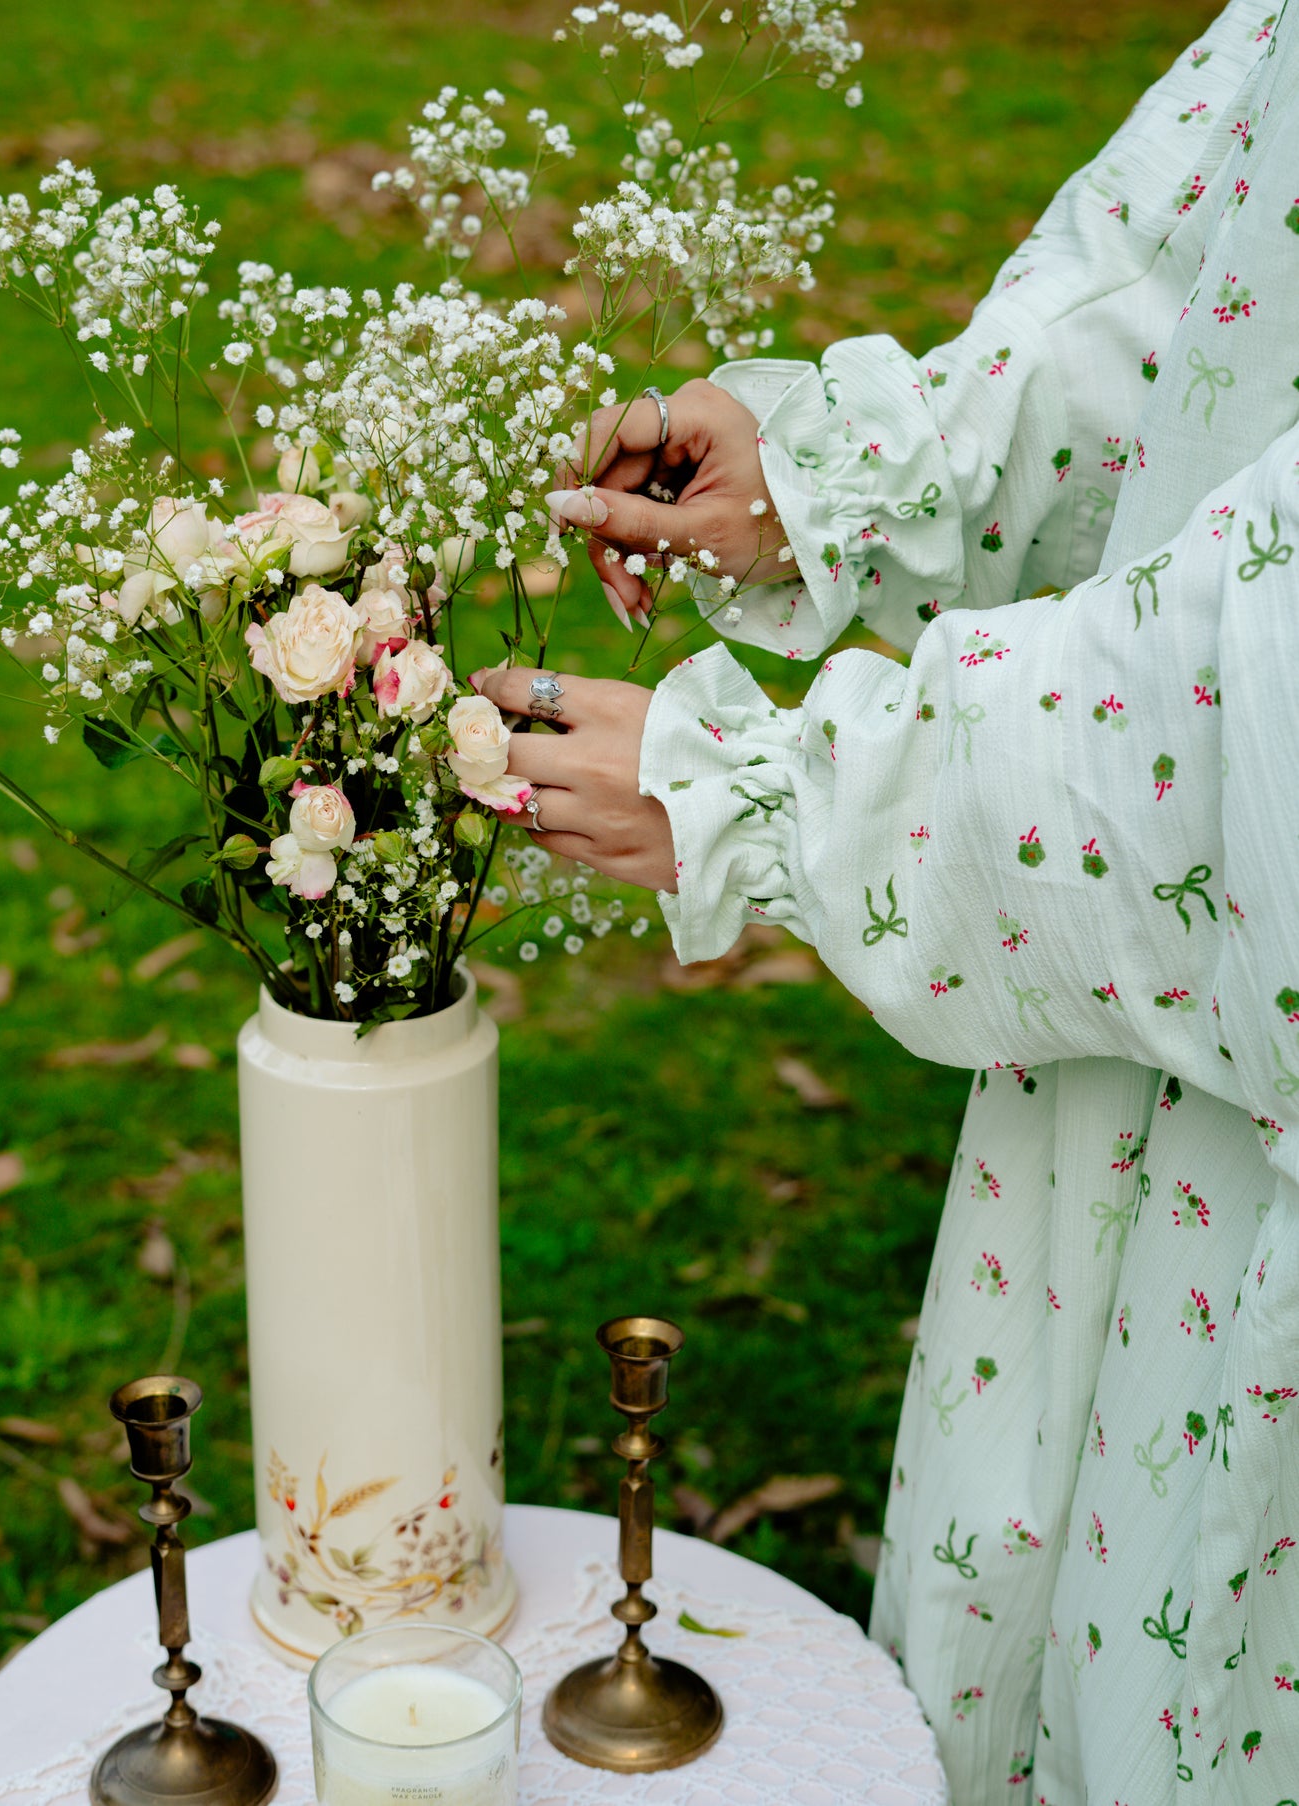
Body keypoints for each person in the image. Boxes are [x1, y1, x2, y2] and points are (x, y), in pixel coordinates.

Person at [471, 2, 1299, 1799]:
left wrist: (771, 799)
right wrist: (834, 474)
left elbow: (1254, 718)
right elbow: (1187, 295)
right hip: (1147, 1094)